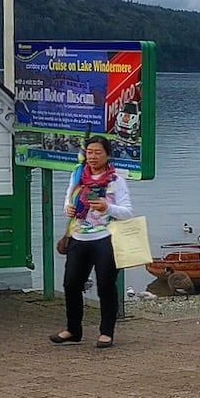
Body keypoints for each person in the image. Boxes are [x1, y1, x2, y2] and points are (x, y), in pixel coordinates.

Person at [51, 135, 133, 348]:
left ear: (107, 155)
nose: (93, 157)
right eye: (89, 152)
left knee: (105, 286)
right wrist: (67, 208)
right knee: (71, 284)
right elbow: (69, 200)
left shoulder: (116, 181)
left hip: (105, 239)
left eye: (98, 152)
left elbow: (127, 212)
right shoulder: (78, 175)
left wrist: (107, 207)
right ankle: (73, 330)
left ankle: (106, 332)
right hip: (78, 237)